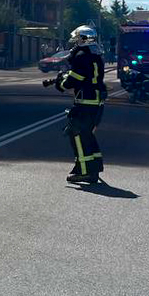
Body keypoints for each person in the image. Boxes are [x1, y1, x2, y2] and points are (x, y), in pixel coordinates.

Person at [46, 25, 108, 185]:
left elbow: (74, 80)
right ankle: (94, 166)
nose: (75, 42)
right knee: (88, 135)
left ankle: (85, 172)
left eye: (78, 39)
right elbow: (85, 75)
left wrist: (61, 84)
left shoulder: (81, 56)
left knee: (78, 134)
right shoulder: (96, 55)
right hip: (95, 101)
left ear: (84, 39)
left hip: (86, 101)